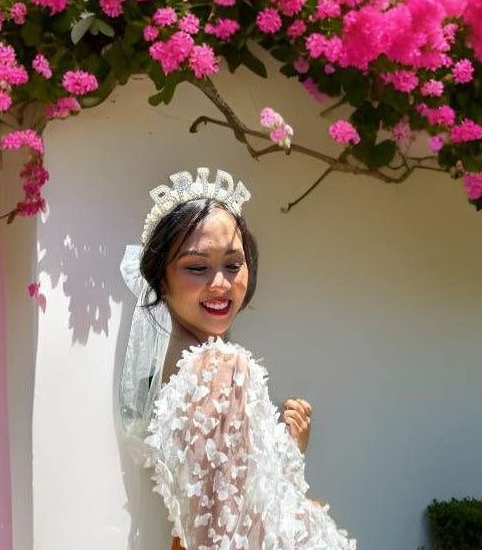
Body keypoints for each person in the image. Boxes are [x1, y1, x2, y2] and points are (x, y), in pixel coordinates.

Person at [119, 168, 356, 550]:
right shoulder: (220, 368)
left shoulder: (183, 366)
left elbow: (221, 509)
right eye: (198, 267)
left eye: (233, 264)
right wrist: (307, 513)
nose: (220, 284)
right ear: (160, 278)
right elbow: (229, 536)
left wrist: (289, 451)